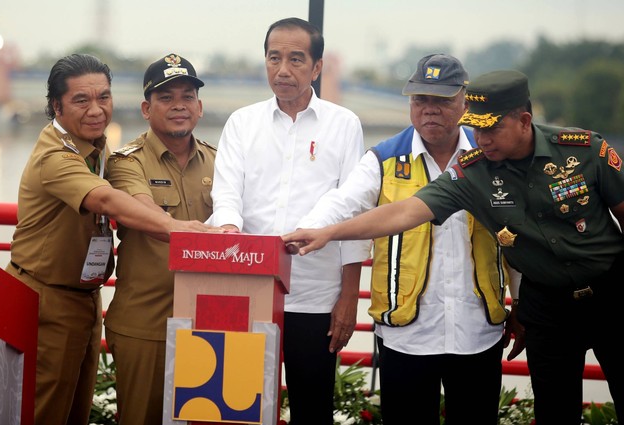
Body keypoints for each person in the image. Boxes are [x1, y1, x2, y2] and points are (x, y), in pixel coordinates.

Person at [283, 69, 624, 425]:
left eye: (491, 128)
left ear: (524, 121)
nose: (481, 138)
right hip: (545, 310)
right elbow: (403, 212)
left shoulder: (583, 151)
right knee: (556, 413)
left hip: (610, 296)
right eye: (476, 128)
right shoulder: (471, 171)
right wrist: (326, 232)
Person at [293, 54, 523, 424]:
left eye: (441, 100)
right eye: (420, 100)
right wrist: (311, 230)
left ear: (465, 101)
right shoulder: (384, 159)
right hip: (407, 336)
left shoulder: (490, 159)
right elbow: (344, 202)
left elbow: (515, 239)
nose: (429, 110)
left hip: (478, 331)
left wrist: (523, 305)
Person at [4, 53, 216, 425]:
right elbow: (104, 198)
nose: (96, 109)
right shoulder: (55, 155)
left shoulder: (97, 148)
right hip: (45, 297)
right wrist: (179, 229)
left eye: (103, 97)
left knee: (75, 413)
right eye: (81, 100)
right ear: (57, 106)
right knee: (44, 412)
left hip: (85, 298)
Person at [208, 17, 371, 425]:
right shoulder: (242, 124)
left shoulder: (343, 125)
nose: (283, 70)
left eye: (296, 60)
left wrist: (349, 296)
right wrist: (228, 228)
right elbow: (226, 194)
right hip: (247, 290)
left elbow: (354, 213)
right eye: (274, 58)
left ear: (317, 68)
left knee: (312, 408)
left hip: (315, 295)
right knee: (236, 407)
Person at [104, 53, 216, 425]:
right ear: (146, 108)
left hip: (210, 322)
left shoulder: (223, 162)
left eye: (187, 96)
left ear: (199, 107)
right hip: (146, 324)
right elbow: (142, 209)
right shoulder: (126, 161)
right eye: (166, 98)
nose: (179, 106)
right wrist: (197, 234)